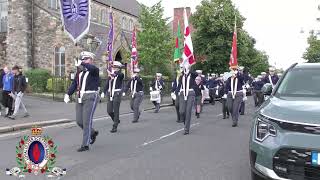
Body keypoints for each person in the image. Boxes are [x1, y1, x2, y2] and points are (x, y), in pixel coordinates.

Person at [64, 51, 100, 152]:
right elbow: (74, 84)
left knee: (87, 121)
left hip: (90, 97)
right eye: (83, 59)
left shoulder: (94, 70)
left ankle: (85, 144)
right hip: (80, 97)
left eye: (86, 59)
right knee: (79, 121)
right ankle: (92, 133)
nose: (84, 61)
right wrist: (68, 94)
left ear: (91, 60)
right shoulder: (79, 72)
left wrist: (82, 63)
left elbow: (91, 68)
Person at [102, 61, 124, 133]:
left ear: (118, 68)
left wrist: (112, 74)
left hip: (116, 93)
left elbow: (119, 75)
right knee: (109, 111)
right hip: (109, 93)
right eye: (113, 67)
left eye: (115, 67)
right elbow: (107, 84)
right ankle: (116, 120)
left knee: (116, 109)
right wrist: (103, 92)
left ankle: (115, 126)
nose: (114, 68)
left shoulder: (120, 74)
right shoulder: (110, 75)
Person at [178, 64, 197, 135]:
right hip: (182, 94)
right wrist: (175, 92)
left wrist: (189, 69)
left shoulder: (192, 75)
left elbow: (196, 74)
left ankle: (186, 129)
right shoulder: (181, 76)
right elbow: (179, 85)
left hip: (190, 93)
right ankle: (185, 122)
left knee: (188, 111)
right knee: (181, 111)